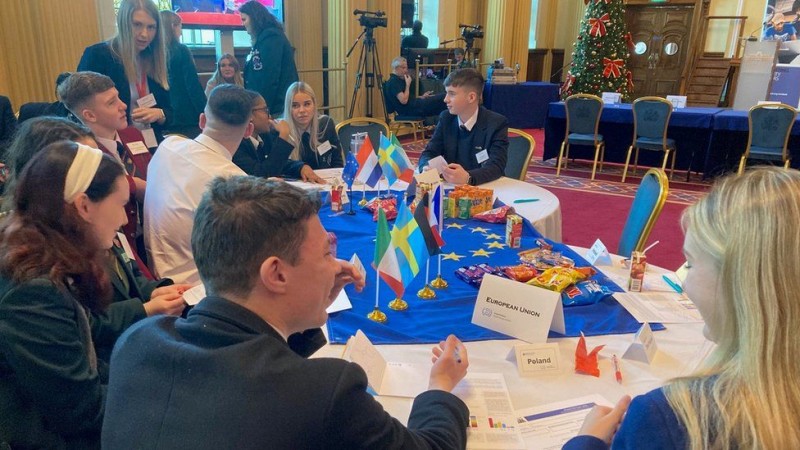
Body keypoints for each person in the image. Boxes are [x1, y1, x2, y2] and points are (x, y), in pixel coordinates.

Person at [102, 176, 470, 449]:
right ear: (277, 274)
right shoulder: (327, 392)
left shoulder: (138, 342)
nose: (335, 265)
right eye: (327, 254)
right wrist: (441, 387)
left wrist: (306, 306)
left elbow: (254, 362)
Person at [565, 167, 800, 450]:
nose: (685, 282)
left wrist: (585, 443)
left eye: (690, 263)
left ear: (741, 284)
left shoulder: (670, 419)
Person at [0, 142, 126, 448]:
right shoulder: (34, 290)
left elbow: (86, 360)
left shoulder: (46, 254)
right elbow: (81, 412)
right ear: (83, 206)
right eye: (120, 204)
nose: (124, 219)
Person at [144, 84, 251, 284]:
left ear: (202, 120)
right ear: (249, 131)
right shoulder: (235, 181)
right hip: (198, 289)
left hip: (154, 279)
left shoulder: (168, 145)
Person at [58, 71, 152, 276]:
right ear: (89, 115)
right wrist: (133, 184)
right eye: (111, 103)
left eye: (118, 96)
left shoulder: (132, 135)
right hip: (117, 243)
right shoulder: (82, 156)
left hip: (151, 234)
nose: (123, 105)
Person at [78, 0, 171, 147]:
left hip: (151, 142)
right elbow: (82, 106)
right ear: (123, 23)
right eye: (137, 25)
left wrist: (161, 114)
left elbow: (171, 108)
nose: (144, 34)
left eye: (151, 27)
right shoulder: (99, 55)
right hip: (111, 145)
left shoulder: (156, 59)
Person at [418, 68, 508, 186]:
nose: (445, 99)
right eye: (446, 93)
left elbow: (496, 166)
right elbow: (429, 152)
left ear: (471, 97)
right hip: (449, 188)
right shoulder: (446, 118)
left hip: (485, 188)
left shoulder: (496, 123)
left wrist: (468, 178)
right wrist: (426, 166)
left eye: (452, 94)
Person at [240, 0, 298, 117]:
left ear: (254, 18)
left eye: (244, 19)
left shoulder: (271, 37)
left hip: (275, 106)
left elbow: (269, 77)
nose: (243, 24)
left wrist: (263, 109)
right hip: (271, 105)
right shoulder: (264, 38)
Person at [160, 10, 206, 138]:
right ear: (172, 26)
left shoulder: (154, 53)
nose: (181, 30)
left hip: (165, 115)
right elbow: (192, 85)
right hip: (186, 115)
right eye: (180, 26)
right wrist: (204, 111)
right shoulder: (181, 50)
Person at [233, 90, 300, 178]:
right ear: (250, 115)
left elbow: (276, 163)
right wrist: (283, 136)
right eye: (265, 110)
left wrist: (300, 167)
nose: (270, 116)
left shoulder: (264, 136)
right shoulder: (237, 144)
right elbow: (263, 175)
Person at [283, 81, 341, 177]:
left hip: (325, 181)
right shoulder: (281, 130)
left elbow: (337, 161)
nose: (302, 110)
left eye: (307, 104)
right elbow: (280, 165)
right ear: (288, 108)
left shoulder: (325, 124)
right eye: (295, 106)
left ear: (314, 105)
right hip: (296, 184)